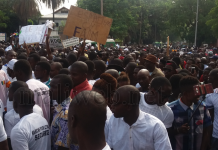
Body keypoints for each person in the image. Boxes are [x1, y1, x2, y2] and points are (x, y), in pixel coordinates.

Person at [107, 85, 172, 150]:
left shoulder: (156, 126)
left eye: (115, 103)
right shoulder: (113, 120)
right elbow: (110, 147)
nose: (111, 106)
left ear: (128, 107)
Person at [168, 76, 212, 150]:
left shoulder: (202, 106)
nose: (199, 94)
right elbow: (165, 133)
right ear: (185, 94)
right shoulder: (170, 109)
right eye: (196, 91)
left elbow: (206, 130)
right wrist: (178, 130)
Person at [4, 81, 43, 150]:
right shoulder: (39, 113)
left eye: (9, 91)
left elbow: (10, 143)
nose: (8, 93)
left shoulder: (9, 117)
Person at [50, 74, 78, 150]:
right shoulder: (59, 108)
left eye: (54, 87)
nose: (50, 89)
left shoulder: (66, 114)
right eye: (50, 86)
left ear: (66, 89)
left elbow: (63, 146)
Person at [92, 73, 117, 141]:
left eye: (94, 94)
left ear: (103, 95)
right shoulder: (93, 110)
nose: (90, 97)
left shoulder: (107, 119)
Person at [205, 68, 218, 150]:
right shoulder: (210, 95)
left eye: (212, 80)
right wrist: (208, 137)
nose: (209, 83)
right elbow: (210, 118)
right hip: (216, 136)